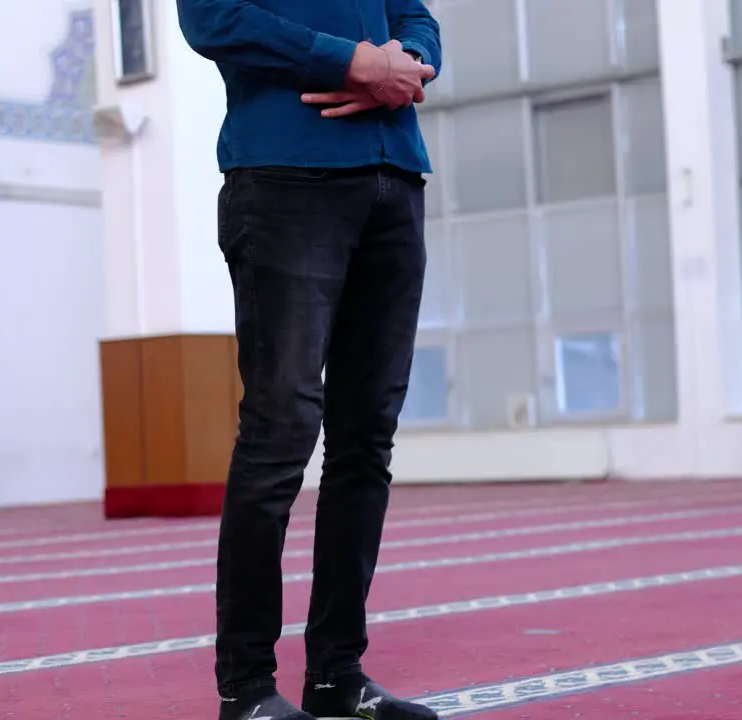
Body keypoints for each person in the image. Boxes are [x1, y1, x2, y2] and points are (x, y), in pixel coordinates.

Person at [175, 2, 442, 720]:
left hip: (394, 177)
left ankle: (336, 675)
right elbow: (212, 18)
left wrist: (409, 64)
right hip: (288, 178)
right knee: (279, 433)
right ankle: (248, 689)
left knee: (365, 444)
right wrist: (350, 61)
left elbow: (417, 17)